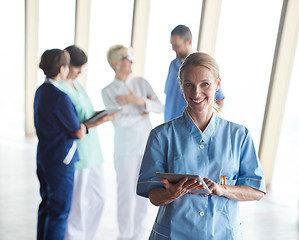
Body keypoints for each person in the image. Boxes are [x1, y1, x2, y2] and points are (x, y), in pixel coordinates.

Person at [137, 52, 266, 240]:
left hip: (224, 234)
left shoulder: (239, 135)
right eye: (189, 84)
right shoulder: (161, 136)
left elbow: (256, 191)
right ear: (181, 86)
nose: (196, 93)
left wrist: (223, 190)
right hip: (173, 234)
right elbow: (153, 195)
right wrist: (170, 194)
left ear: (217, 84)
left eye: (204, 84)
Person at [102, 44, 164, 240]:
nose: (131, 62)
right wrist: (142, 114)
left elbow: (159, 107)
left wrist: (136, 101)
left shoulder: (141, 83)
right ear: (116, 63)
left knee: (144, 192)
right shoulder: (108, 91)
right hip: (125, 150)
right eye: (128, 58)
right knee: (125, 194)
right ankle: (124, 235)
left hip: (146, 148)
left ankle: (137, 235)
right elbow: (119, 121)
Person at [59, 45, 116, 240]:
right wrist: (98, 121)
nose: (80, 71)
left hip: (93, 153)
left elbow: (86, 114)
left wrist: (102, 114)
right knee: (77, 205)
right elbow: (73, 124)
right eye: (77, 67)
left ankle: (86, 236)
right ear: (67, 65)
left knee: (98, 199)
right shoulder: (61, 90)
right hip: (78, 154)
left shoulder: (77, 85)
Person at [34, 49, 87, 240]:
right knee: (59, 212)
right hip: (61, 161)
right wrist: (83, 127)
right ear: (62, 68)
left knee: (47, 206)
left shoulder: (41, 91)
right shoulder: (60, 97)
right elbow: (77, 130)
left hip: (45, 157)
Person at [164, 24, 225, 122]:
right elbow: (168, 95)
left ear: (189, 42)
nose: (173, 49)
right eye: (172, 45)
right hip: (171, 125)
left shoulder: (204, 67)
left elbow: (219, 100)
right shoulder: (173, 65)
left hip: (192, 127)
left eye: (176, 45)